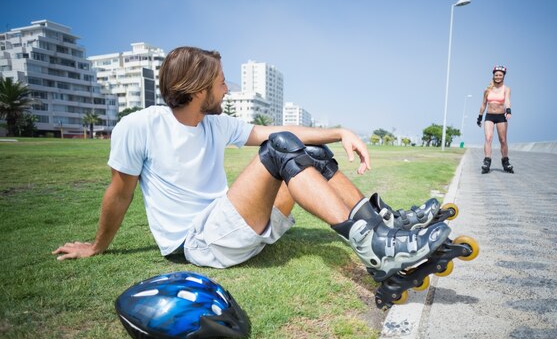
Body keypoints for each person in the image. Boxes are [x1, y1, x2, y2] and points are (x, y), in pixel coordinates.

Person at [53, 46, 452, 284]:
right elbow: (119, 194)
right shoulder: (138, 126)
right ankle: (374, 249)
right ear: (197, 89)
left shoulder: (213, 123)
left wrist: (339, 131)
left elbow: (276, 128)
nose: (228, 89)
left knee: (308, 153)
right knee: (281, 149)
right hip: (199, 243)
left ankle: (384, 227)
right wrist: (96, 246)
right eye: (222, 82)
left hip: (235, 226)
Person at [476, 65, 514, 173]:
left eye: (500, 75)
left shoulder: (506, 89)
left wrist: (508, 110)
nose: (498, 77)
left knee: (503, 140)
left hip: (501, 116)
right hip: (489, 116)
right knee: (488, 138)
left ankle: (505, 162)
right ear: (493, 76)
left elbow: (507, 100)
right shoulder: (487, 90)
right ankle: (487, 161)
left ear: (503, 76)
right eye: (496, 75)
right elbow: (483, 104)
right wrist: (479, 117)